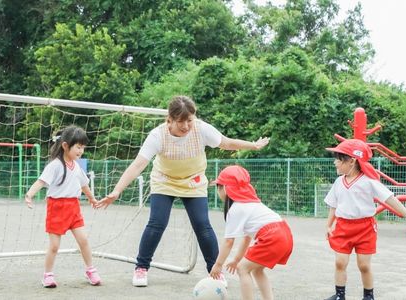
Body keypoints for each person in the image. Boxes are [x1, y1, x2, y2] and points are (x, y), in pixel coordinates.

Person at [95, 95, 270, 287]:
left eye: (189, 120)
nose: (186, 126)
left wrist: (252, 145)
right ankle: (141, 267)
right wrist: (117, 190)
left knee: (202, 225)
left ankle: (215, 271)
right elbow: (138, 165)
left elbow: (225, 143)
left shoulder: (201, 129)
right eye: (180, 122)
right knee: (157, 223)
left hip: (193, 181)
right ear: (169, 120)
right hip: (164, 180)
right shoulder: (157, 135)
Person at [323, 139, 406, 300]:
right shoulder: (338, 182)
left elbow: (390, 199)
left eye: (339, 159)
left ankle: (368, 296)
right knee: (340, 263)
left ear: (352, 161)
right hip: (343, 227)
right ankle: (339, 295)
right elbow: (333, 206)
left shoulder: (369, 181)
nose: (335, 162)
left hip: (365, 228)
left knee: (364, 265)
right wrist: (329, 225)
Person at [24, 125, 102, 288]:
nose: (81, 151)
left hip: (73, 208)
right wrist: (29, 194)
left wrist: (92, 199)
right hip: (57, 208)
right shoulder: (55, 165)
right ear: (66, 146)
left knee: (84, 240)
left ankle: (90, 270)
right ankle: (48, 275)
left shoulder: (77, 166)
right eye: (78, 147)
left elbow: (84, 185)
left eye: (83, 147)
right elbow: (41, 181)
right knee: (54, 246)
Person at [208, 165, 293, 300]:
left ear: (225, 188)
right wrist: (236, 259)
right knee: (257, 270)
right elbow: (247, 238)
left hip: (272, 236)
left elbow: (229, 242)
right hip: (285, 233)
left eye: (218, 187)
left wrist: (218, 265)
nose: (218, 192)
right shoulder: (251, 203)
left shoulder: (236, 209)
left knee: (243, 269)